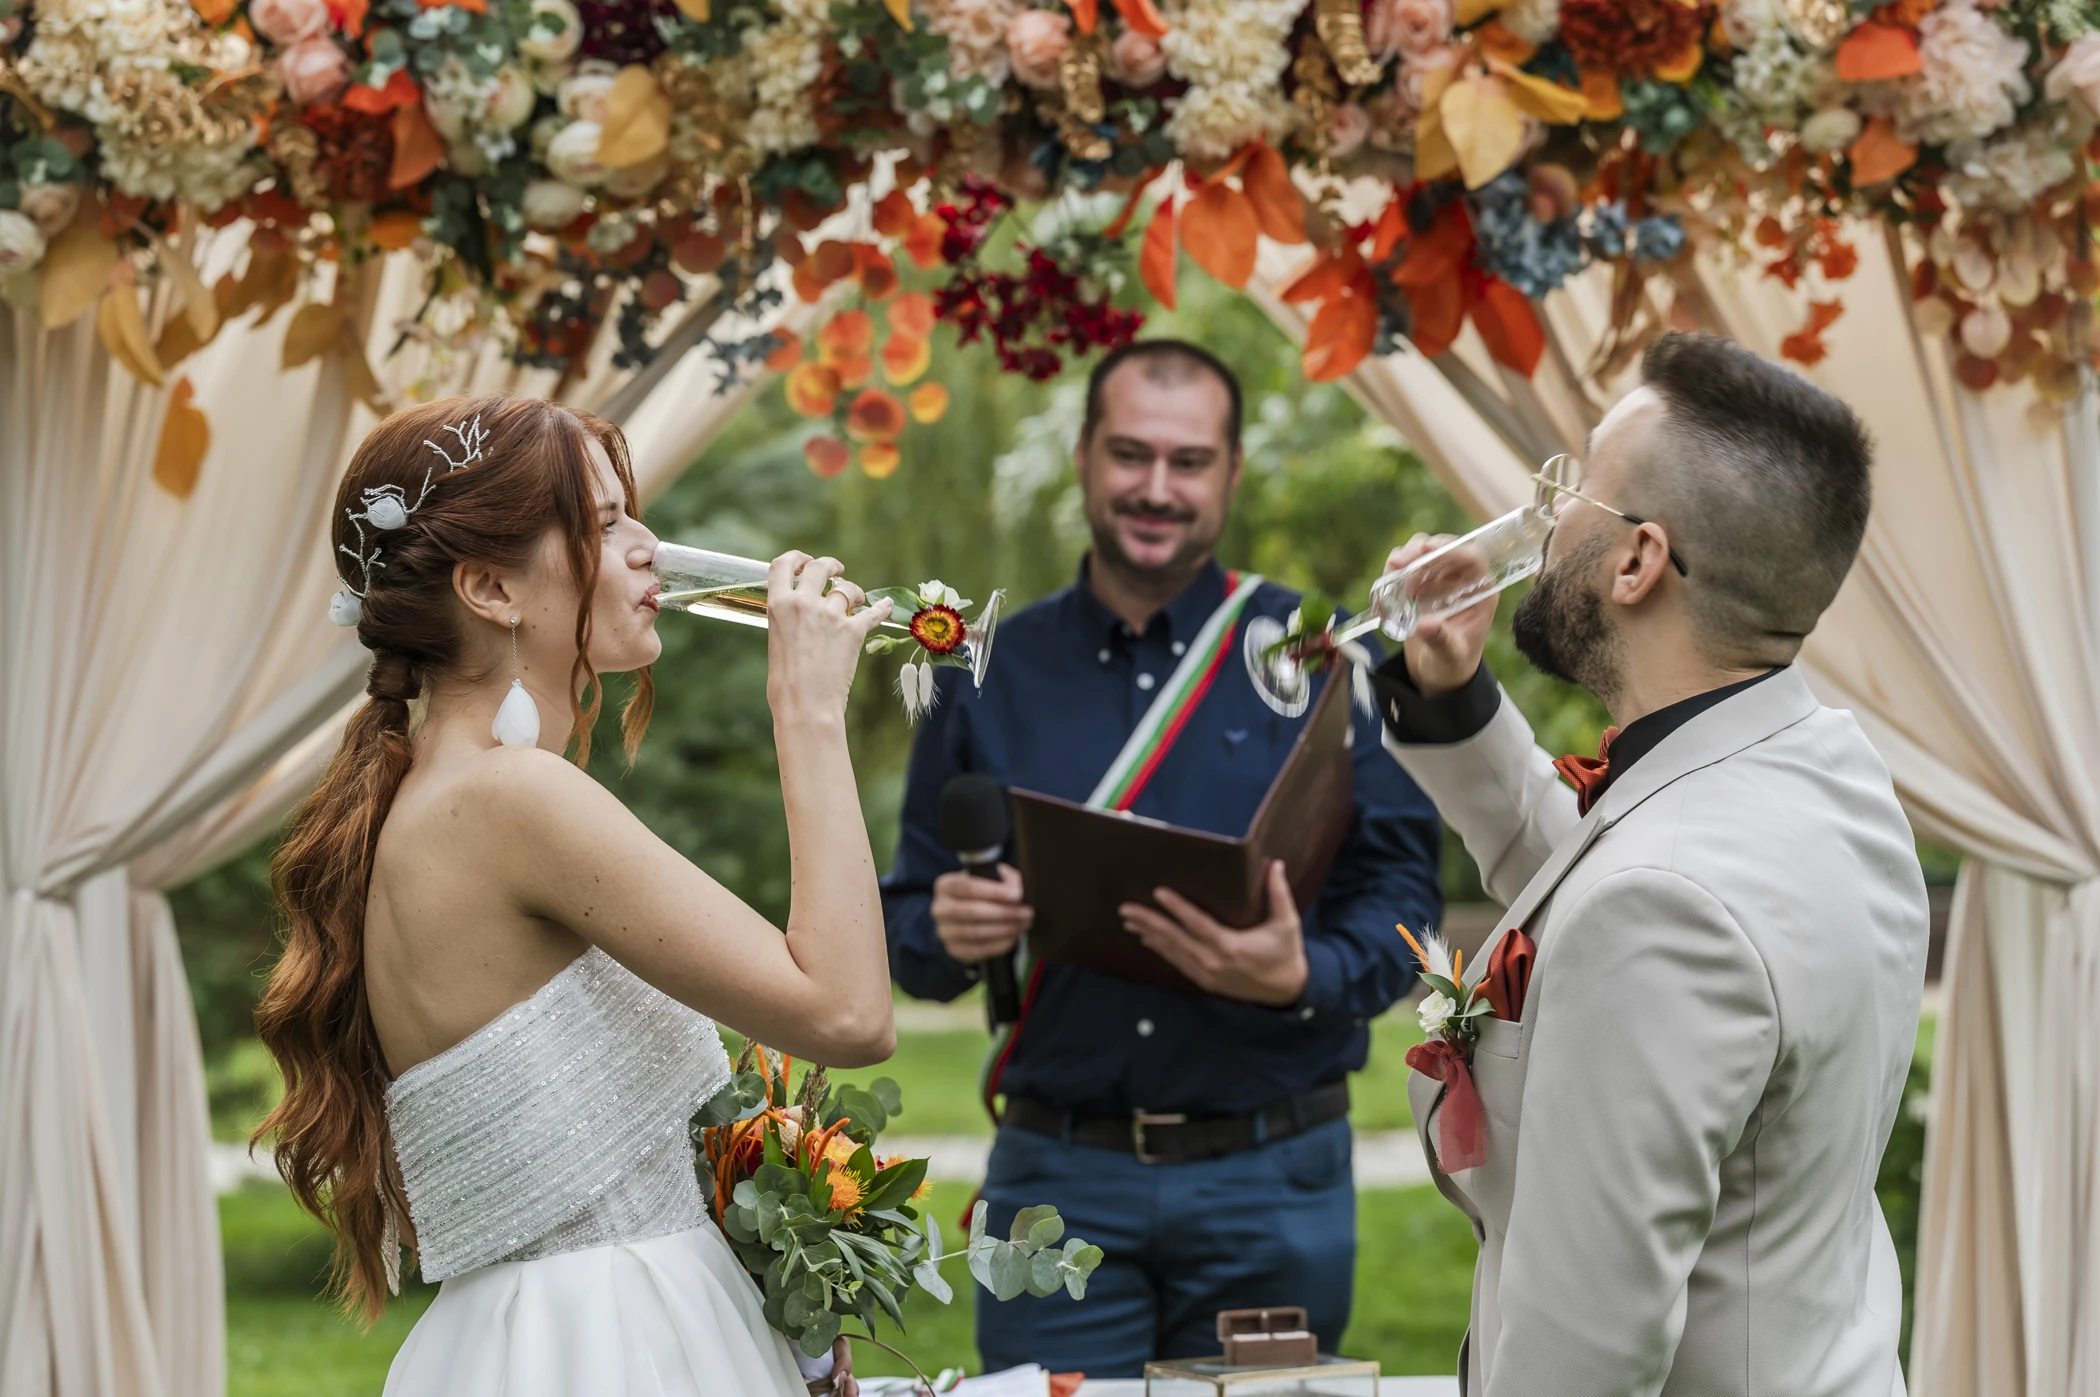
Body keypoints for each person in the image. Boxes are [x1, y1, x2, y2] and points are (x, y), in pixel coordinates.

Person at [254, 395, 894, 1397]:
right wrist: (808, 709)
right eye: (602, 522)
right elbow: (847, 1009)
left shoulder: (445, 792)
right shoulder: (510, 795)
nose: (652, 548)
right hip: (615, 1344)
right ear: (488, 586)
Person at [1373, 333, 1927, 1396]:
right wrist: (1452, 696)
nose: (1545, 518)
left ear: (1639, 561)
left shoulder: (1662, 906)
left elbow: (1582, 1353)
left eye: (1574, 483)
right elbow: (1618, 857)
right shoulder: (1824, 772)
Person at [882, 340, 1445, 1376]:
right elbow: (908, 927)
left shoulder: (1325, 654)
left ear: (1231, 471)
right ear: (1086, 454)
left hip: (1274, 1174)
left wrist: (1305, 974)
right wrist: (944, 927)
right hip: (1056, 1171)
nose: (1155, 487)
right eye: (1129, 453)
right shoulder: (986, 669)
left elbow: (1408, 899)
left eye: (1188, 461)